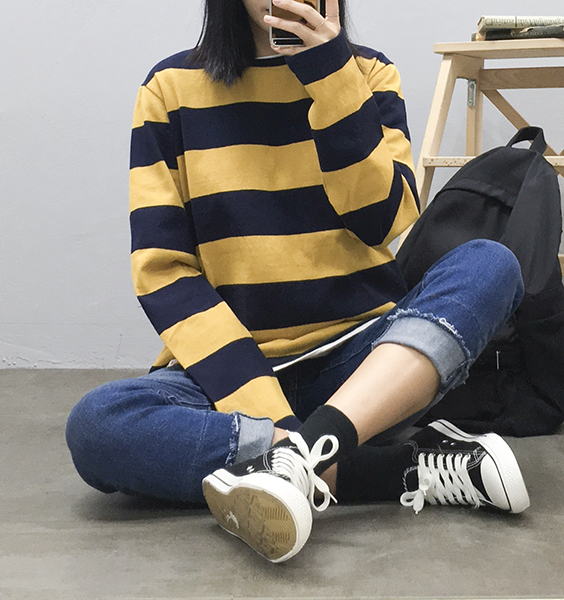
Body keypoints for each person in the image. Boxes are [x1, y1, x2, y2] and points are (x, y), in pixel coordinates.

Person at [66, 0, 530, 564]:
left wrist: (331, 78)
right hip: (228, 375)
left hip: (361, 362)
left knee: (491, 264)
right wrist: (272, 415)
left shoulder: (368, 74)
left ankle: (291, 463)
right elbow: (166, 273)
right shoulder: (170, 88)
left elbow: (384, 221)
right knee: (96, 426)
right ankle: (383, 467)